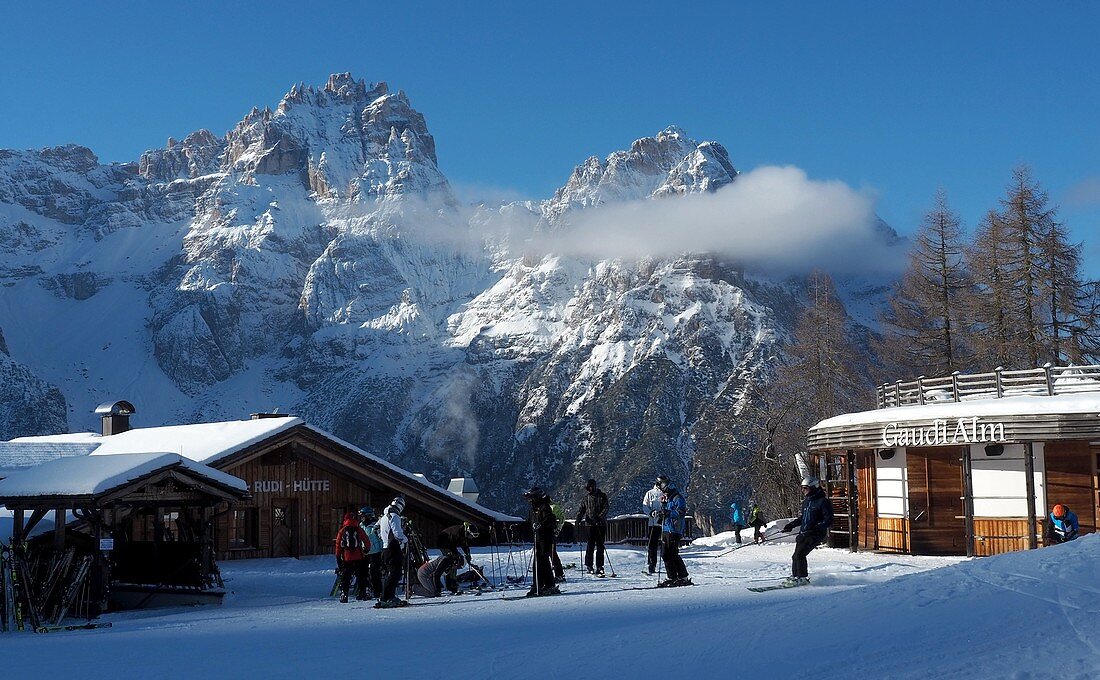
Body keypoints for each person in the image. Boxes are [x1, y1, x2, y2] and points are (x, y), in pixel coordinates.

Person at [780, 477, 834, 585]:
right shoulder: (806, 502)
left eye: (805, 488)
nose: (803, 491)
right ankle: (796, 576)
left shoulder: (823, 502)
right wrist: (791, 525)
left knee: (800, 555)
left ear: (814, 488)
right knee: (795, 556)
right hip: (804, 533)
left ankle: (802, 578)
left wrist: (817, 527)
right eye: (802, 488)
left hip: (815, 534)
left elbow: (829, 520)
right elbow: (803, 518)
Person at [524, 486, 561, 597]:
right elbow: (529, 523)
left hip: (546, 538)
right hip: (538, 538)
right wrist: (516, 527)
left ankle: (541, 585)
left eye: (531, 498)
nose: (530, 501)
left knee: (541, 561)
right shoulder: (533, 509)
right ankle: (546, 584)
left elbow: (550, 520)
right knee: (540, 561)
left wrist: (541, 525)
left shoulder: (545, 507)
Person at [656, 474, 692, 587]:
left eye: (661, 488)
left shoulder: (678, 498)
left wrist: (667, 513)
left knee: (673, 554)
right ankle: (672, 577)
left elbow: (681, 513)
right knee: (665, 554)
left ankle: (683, 577)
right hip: (666, 529)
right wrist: (663, 508)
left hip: (674, 530)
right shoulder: (668, 499)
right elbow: (666, 512)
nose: (662, 492)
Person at [375, 496, 409, 608]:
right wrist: (405, 540)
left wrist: (383, 538)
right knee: (396, 573)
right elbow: (397, 533)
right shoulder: (394, 516)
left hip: (385, 547)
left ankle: (388, 596)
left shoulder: (384, 516)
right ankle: (386, 597)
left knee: (392, 573)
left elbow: (376, 529)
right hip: (393, 547)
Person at [576, 478, 609, 576]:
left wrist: (599, 517)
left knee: (600, 546)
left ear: (594, 486)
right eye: (587, 488)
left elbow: (606, 508)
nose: (589, 490)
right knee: (590, 546)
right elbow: (582, 509)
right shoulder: (586, 498)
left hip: (600, 525)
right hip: (589, 525)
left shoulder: (602, 496)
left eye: (590, 488)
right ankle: (589, 565)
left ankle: (600, 566)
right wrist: (578, 518)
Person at [334, 512, 370, 603]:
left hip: (347, 558)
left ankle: (344, 594)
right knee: (361, 575)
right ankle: (363, 592)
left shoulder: (342, 531)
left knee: (346, 577)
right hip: (359, 557)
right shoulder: (358, 529)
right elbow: (366, 541)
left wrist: (338, 558)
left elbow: (338, 545)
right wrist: (366, 550)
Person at [437, 522, 477, 594]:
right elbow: (451, 546)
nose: (471, 538)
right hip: (443, 542)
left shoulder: (464, 533)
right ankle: (449, 584)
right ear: (468, 532)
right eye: (471, 536)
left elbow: (464, 545)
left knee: (456, 560)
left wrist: (468, 554)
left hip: (451, 543)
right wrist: (457, 555)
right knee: (451, 561)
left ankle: (452, 581)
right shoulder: (457, 532)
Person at [359, 506, 384, 599]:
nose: (362, 518)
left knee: (375, 573)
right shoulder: (361, 525)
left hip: (375, 552)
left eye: (363, 516)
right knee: (363, 572)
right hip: (364, 552)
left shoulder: (375, 525)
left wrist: (382, 551)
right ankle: (365, 591)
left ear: (368, 516)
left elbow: (380, 539)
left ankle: (378, 591)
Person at [642, 479, 664, 575]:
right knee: (652, 544)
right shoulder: (650, 493)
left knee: (665, 544)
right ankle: (651, 564)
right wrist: (651, 513)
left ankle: (668, 564)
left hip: (664, 522)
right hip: (653, 523)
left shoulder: (666, 493)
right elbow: (645, 506)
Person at [549, 499, 566, 582]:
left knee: (552, 554)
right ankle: (557, 574)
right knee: (551, 554)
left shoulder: (553, 507)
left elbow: (562, 518)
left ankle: (559, 574)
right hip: (545, 534)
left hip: (551, 533)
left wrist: (557, 530)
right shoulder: (539, 507)